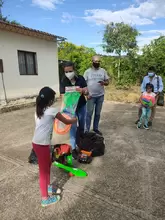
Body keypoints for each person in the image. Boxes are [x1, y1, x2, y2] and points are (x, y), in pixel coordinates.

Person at [32, 86, 77, 207]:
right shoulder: (52, 111)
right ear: (50, 100)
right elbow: (66, 121)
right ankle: (45, 199)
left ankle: (48, 187)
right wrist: (75, 119)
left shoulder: (38, 110)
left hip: (37, 143)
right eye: (53, 98)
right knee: (43, 171)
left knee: (47, 165)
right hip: (41, 144)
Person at [60, 61, 88, 157]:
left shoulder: (81, 78)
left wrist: (83, 90)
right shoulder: (64, 80)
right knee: (72, 129)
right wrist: (63, 109)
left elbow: (87, 92)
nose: (68, 73)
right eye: (66, 72)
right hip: (70, 109)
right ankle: (73, 148)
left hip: (81, 106)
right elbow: (63, 96)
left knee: (81, 127)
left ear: (74, 70)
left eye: (70, 71)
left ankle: (81, 145)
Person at [84, 55, 109, 135]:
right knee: (89, 113)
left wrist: (104, 83)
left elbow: (107, 82)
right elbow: (83, 84)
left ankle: (95, 128)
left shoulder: (103, 71)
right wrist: (86, 94)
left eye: (98, 62)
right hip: (90, 96)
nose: (97, 63)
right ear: (92, 62)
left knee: (97, 114)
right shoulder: (87, 72)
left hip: (100, 96)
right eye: (95, 62)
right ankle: (87, 130)